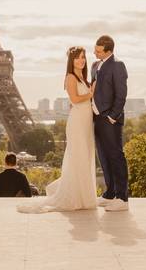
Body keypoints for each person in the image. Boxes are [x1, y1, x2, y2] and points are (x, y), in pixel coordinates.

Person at [18, 47, 96, 212]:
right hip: (77, 123)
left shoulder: (83, 77)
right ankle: (78, 196)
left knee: (85, 157)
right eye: (77, 58)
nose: (81, 60)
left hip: (85, 121)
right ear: (71, 61)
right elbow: (75, 99)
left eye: (83, 57)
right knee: (79, 157)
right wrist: (91, 94)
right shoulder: (70, 77)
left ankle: (83, 196)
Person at [91, 35, 129, 211]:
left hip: (109, 120)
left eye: (98, 51)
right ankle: (110, 193)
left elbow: (121, 95)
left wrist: (112, 117)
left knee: (116, 157)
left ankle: (122, 197)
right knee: (104, 157)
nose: (94, 52)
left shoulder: (117, 66)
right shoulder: (94, 65)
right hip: (97, 119)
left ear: (109, 50)